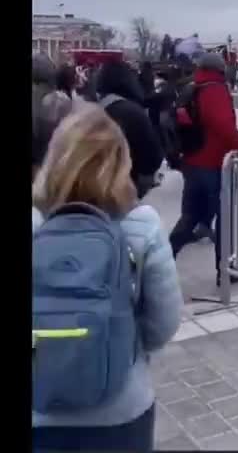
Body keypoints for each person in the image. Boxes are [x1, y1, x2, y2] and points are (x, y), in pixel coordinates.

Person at [32, 105, 182, 452]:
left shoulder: (35, 224)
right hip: (121, 407)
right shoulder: (141, 225)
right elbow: (164, 323)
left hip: (40, 407)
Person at [168, 53, 238, 286]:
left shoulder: (193, 87)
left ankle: (161, 262)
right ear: (220, 69)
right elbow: (221, 123)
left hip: (192, 162)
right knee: (224, 218)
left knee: (189, 217)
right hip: (212, 164)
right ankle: (224, 270)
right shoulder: (214, 89)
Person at [96, 60, 163, 199]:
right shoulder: (133, 113)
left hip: (94, 186)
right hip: (127, 185)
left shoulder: (90, 110)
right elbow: (152, 156)